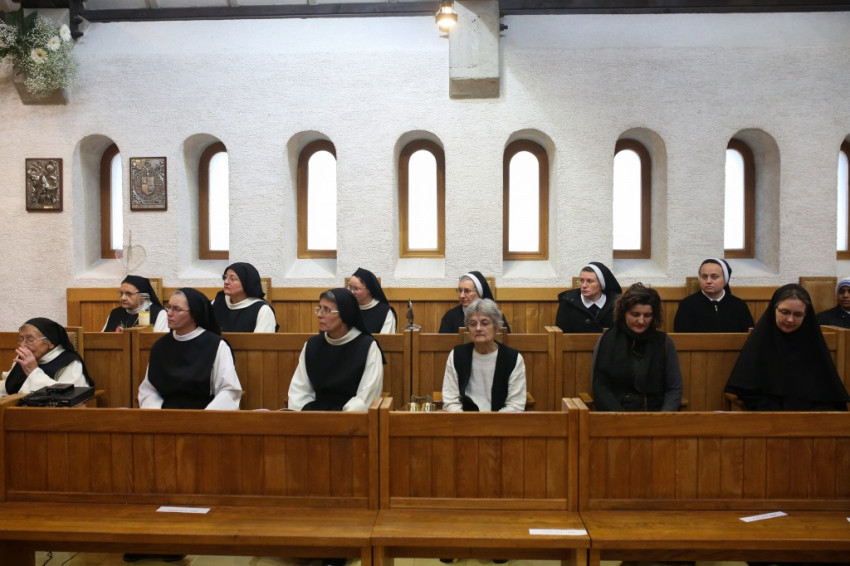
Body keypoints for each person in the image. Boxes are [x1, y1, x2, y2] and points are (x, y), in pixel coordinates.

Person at [725, 284, 850, 411]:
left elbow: (829, 396)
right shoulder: (760, 343)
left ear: (806, 315)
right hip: (766, 416)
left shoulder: (814, 345)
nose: (790, 319)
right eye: (785, 312)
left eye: (798, 314)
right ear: (774, 310)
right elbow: (746, 390)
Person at [138, 288, 242, 410]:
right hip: (165, 416)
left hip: (205, 414)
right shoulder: (160, 346)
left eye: (176, 309)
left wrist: (204, 417)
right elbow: (149, 389)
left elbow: (229, 390)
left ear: (194, 315)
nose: (169, 313)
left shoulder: (216, 345)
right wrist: (156, 413)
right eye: (169, 307)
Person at [288, 288, 384, 412]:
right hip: (313, 417)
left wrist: (338, 419)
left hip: (351, 419)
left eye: (326, 310)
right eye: (319, 308)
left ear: (345, 313)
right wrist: (306, 416)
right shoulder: (312, 345)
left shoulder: (367, 347)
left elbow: (366, 396)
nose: (319, 315)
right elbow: (299, 391)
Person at [592, 283, 683, 412]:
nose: (641, 321)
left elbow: (674, 388)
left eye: (647, 315)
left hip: (656, 414)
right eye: (635, 314)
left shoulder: (664, 342)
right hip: (617, 414)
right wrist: (622, 419)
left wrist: (664, 417)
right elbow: (601, 388)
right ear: (624, 313)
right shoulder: (608, 340)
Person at [441, 298, 526, 412]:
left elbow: (516, 405)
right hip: (464, 419)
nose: (478, 328)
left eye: (484, 323)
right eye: (473, 324)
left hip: (501, 420)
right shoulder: (457, 355)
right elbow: (450, 400)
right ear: (468, 329)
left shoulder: (513, 359)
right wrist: (466, 420)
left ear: (496, 327)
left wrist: (490, 421)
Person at [0, 318, 94, 397]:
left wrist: (33, 372)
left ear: (50, 343)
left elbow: (69, 395)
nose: (22, 345)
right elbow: (8, 385)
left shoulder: (69, 362)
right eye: (21, 339)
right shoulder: (23, 357)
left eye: (30, 339)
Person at [673, 258, 754, 333]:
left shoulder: (739, 305)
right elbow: (681, 337)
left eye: (714, 277)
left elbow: (749, 336)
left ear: (725, 279)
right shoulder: (687, 305)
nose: (708, 281)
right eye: (704, 277)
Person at [555, 262, 621, 333]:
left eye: (590, 281)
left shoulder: (615, 304)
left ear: (601, 284)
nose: (584, 285)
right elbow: (560, 335)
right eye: (582, 281)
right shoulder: (567, 303)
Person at [211, 262, 278, 332]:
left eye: (232, 278)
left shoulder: (263, 310)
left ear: (246, 282)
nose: (226, 281)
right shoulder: (217, 302)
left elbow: (261, 339)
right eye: (225, 277)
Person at [439, 271, 511, 334]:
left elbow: (504, 340)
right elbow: (443, 343)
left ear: (479, 294)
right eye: (460, 291)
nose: (462, 295)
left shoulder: (495, 315)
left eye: (467, 291)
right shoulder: (450, 316)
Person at [103, 275, 168, 332]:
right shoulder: (115, 313)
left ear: (143, 295)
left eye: (129, 293)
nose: (123, 298)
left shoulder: (159, 314)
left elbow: (160, 340)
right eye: (121, 293)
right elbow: (103, 338)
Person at [348, 267, 397, 334]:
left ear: (369, 289)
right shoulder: (347, 308)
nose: (351, 292)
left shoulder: (384, 312)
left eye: (356, 289)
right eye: (350, 287)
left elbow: (385, 339)